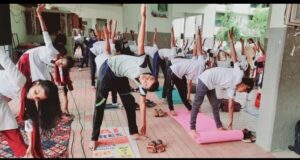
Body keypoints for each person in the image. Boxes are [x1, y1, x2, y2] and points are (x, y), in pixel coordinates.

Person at [89, 4, 159, 150]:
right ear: (152, 75)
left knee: (129, 101)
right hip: (108, 70)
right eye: (149, 78)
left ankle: (133, 132)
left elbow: (143, 104)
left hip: (120, 76)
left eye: (146, 83)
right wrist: (143, 17)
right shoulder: (143, 62)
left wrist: (144, 123)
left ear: (144, 87)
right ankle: (94, 138)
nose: (145, 79)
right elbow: (140, 42)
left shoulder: (142, 87)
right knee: (100, 105)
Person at [189, 27, 254, 138]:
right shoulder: (240, 74)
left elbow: (231, 106)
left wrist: (230, 123)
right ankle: (192, 128)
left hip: (211, 83)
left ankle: (219, 126)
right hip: (205, 78)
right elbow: (234, 57)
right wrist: (231, 41)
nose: (242, 92)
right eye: (244, 91)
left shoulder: (232, 89)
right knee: (197, 103)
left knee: (215, 104)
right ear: (245, 85)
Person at [16, 4, 74, 122]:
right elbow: (45, 32)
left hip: (38, 64)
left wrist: (65, 88)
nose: (59, 64)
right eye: (61, 61)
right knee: (25, 86)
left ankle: (54, 112)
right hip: (27, 59)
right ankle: (23, 114)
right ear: (61, 56)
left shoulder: (58, 65)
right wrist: (39, 15)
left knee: (50, 87)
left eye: (62, 65)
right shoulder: (51, 50)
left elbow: (63, 78)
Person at [166, 28, 206, 116]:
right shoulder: (201, 63)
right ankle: (171, 108)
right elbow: (198, 50)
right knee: (169, 90)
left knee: (182, 91)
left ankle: (189, 108)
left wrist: (198, 36)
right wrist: (198, 36)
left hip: (180, 74)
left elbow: (197, 50)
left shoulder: (199, 62)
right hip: (172, 71)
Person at [0, 47, 28, 158]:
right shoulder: (19, 80)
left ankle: (23, 154)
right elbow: (4, 60)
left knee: (11, 129)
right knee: (10, 129)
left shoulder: (21, 85)